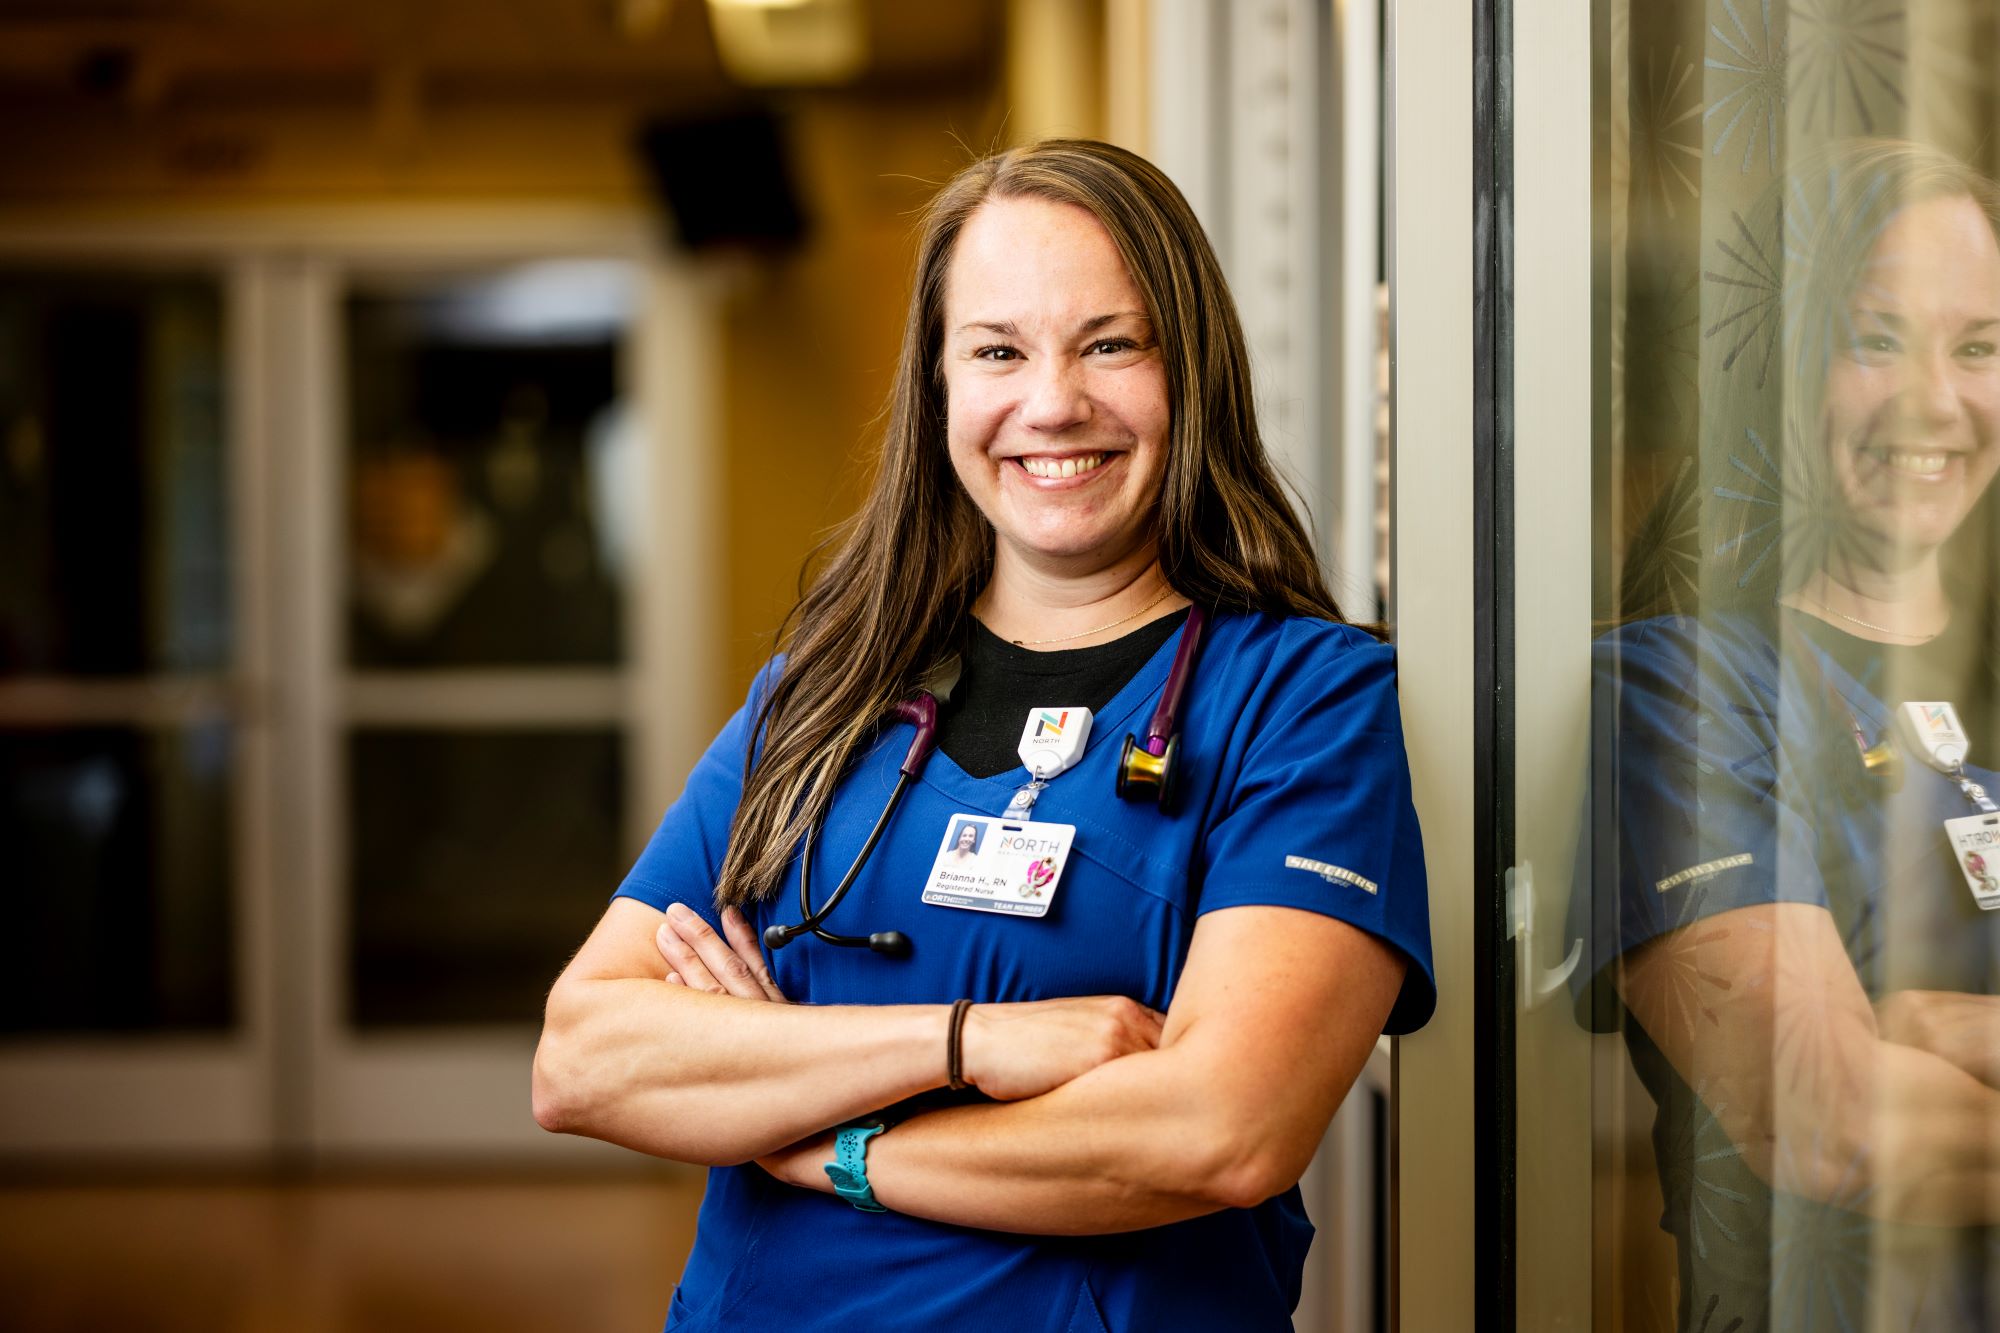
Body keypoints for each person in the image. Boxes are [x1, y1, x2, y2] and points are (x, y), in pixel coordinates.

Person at [532, 139, 1435, 1332]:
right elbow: (585, 1057)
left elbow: (1221, 1130)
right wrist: (973, 1042)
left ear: (1193, 372)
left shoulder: (1303, 699)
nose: (1051, 402)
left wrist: (821, 1139)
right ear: (942, 390)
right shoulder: (824, 691)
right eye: (997, 352)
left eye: (1109, 344)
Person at [1580, 138, 2000, 1330]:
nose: (1937, 398)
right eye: (1875, 339)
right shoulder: (1675, 692)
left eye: (1975, 346)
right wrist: (1883, 1052)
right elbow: (1830, 1121)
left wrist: (1939, 1025)